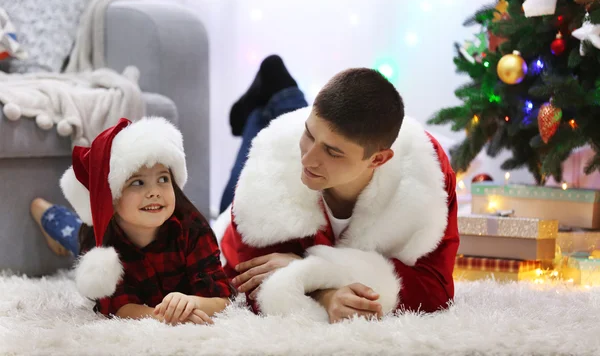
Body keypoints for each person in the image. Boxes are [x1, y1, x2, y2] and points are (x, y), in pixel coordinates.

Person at [217, 68, 459, 323]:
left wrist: (311, 270)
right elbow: (247, 288)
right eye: (308, 134)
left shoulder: (425, 172)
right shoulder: (269, 164)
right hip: (229, 227)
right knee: (230, 188)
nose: (308, 159)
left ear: (378, 159)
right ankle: (274, 92)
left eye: (333, 153)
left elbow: (436, 292)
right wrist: (325, 293)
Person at [39, 117, 235, 324]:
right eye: (138, 182)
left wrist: (191, 303)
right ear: (111, 199)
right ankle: (45, 212)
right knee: (71, 232)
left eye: (163, 179)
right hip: (97, 234)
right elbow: (118, 307)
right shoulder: (102, 250)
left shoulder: (194, 229)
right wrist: (168, 317)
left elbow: (222, 298)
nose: (154, 192)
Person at [220, 55, 307, 213]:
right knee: (273, 65)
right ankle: (282, 98)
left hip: (236, 211)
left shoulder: (257, 117)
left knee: (272, 66)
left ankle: (262, 101)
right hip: (297, 110)